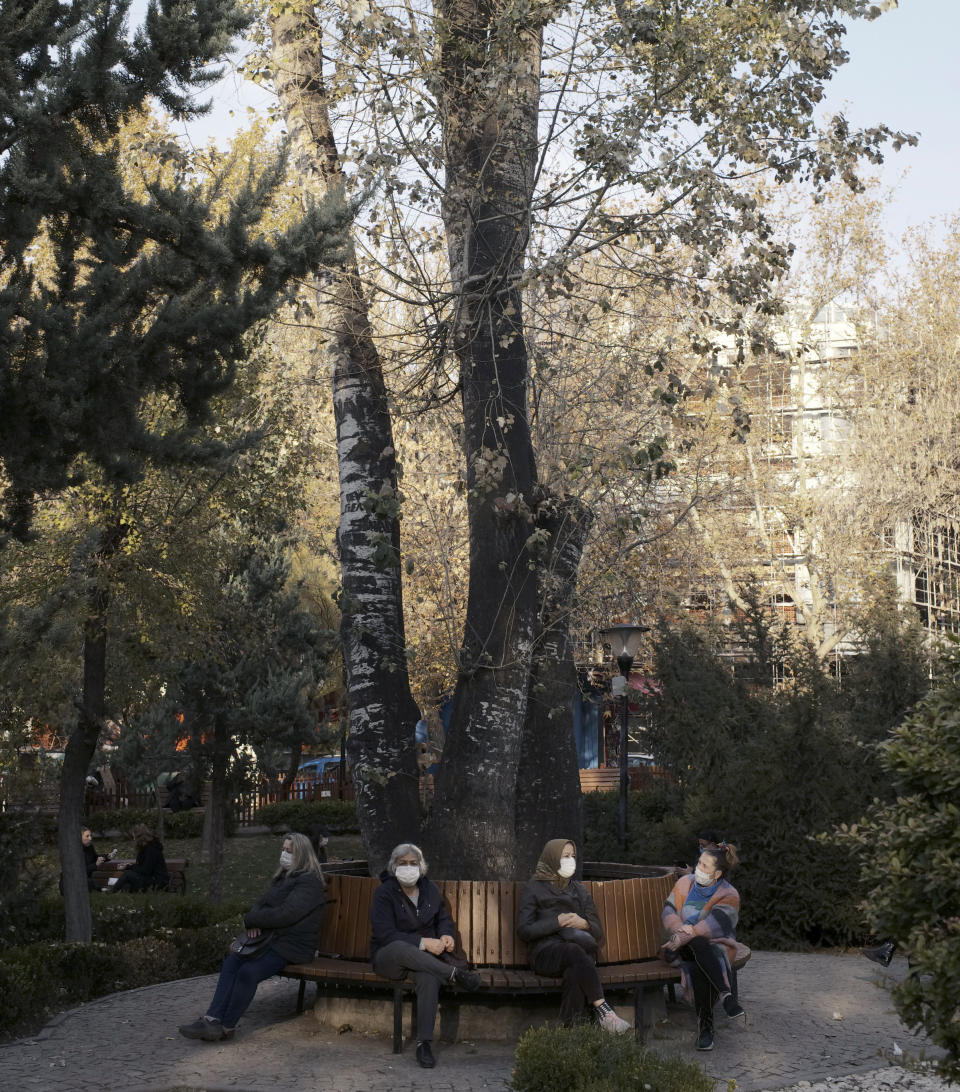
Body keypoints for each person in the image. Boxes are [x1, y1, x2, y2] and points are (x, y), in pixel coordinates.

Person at [179, 833, 326, 1042]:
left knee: (248, 972)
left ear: (301, 855)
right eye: (283, 849)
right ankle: (212, 1020)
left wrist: (254, 920)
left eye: (289, 851)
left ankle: (227, 1027)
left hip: (292, 945)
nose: (284, 854)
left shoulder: (309, 882)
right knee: (232, 962)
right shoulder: (284, 877)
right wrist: (252, 919)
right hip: (273, 938)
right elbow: (262, 904)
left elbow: (287, 914)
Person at [370, 842, 483, 1069]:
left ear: (421, 867)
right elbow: (385, 934)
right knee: (401, 947)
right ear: (394, 867)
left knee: (429, 977)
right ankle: (455, 974)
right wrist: (423, 943)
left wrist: (445, 936)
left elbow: (443, 919)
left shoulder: (430, 889)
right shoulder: (384, 893)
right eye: (403, 863)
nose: (409, 867)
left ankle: (424, 1043)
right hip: (389, 956)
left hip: (423, 962)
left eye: (414, 863)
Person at [516, 838, 631, 1033]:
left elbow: (597, 931)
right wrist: (556, 922)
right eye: (565, 856)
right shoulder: (534, 888)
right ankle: (603, 1010)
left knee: (574, 973)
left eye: (573, 856)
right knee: (573, 952)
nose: (570, 861)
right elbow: (524, 930)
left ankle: (571, 1035)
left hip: (579, 952)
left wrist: (583, 923)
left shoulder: (580, 890)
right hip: (545, 953)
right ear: (552, 858)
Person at [661, 842, 745, 1051]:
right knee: (698, 945)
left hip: (714, 946)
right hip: (680, 947)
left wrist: (687, 935)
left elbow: (717, 924)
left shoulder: (730, 894)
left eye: (705, 866)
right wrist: (682, 933)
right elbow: (668, 912)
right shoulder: (684, 884)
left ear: (717, 874)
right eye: (699, 863)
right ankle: (726, 994)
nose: (698, 868)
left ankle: (705, 1027)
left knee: (699, 952)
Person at [112, 824, 169, 893]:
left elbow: (145, 870)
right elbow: (142, 868)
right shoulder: (145, 849)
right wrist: (129, 866)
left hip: (156, 882)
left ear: (138, 836)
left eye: (134, 837)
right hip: (149, 878)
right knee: (127, 881)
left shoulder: (151, 850)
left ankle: (111, 892)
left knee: (128, 874)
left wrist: (128, 867)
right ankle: (117, 893)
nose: (133, 839)